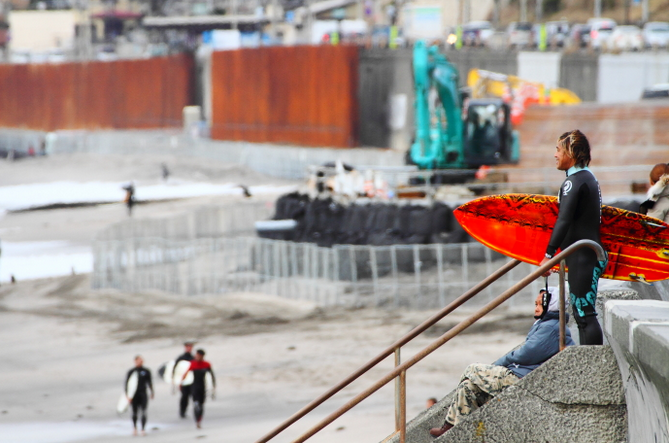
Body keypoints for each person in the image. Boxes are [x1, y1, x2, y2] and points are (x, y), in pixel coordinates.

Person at [429, 287, 574, 437]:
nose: (536, 308)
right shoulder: (546, 324)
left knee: (472, 369)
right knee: (468, 387)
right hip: (522, 375)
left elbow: (525, 354)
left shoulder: (551, 327)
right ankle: (453, 428)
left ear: (552, 305)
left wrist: (499, 364)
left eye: (539, 304)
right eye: (535, 304)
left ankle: (452, 426)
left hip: (524, 380)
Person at [539, 130, 606, 346]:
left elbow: (564, 220)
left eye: (559, 150)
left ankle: (594, 368)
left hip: (583, 257)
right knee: (581, 314)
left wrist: (549, 254)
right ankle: (590, 366)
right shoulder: (587, 178)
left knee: (584, 315)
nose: (555, 155)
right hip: (586, 255)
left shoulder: (573, 182)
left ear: (573, 152)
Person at [181, 349, 216, 429]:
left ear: (202, 356)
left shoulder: (206, 364)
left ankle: (199, 420)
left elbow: (212, 376)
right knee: (196, 404)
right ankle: (197, 421)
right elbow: (185, 374)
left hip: (203, 387)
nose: (196, 356)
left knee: (201, 405)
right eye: (196, 355)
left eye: (197, 355)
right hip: (194, 387)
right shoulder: (193, 363)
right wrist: (181, 384)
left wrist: (213, 387)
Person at [126, 355, 154, 436]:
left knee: (143, 411)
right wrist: (127, 395)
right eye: (138, 360)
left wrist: (152, 392)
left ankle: (143, 429)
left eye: (141, 360)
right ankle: (134, 428)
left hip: (143, 393)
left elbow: (150, 382)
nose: (140, 361)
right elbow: (127, 384)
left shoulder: (146, 371)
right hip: (134, 395)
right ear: (135, 361)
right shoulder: (131, 372)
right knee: (134, 412)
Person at [174, 341, 195, 418]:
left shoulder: (194, 358)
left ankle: (195, 411)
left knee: (193, 396)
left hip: (192, 380)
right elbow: (176, 370)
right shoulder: (180, 358)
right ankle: (182, 411)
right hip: (183, 381)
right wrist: (177, 381)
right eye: (187, 347)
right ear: (185, 348)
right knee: (184, 396)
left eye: (190, 347)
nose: (189, 348)